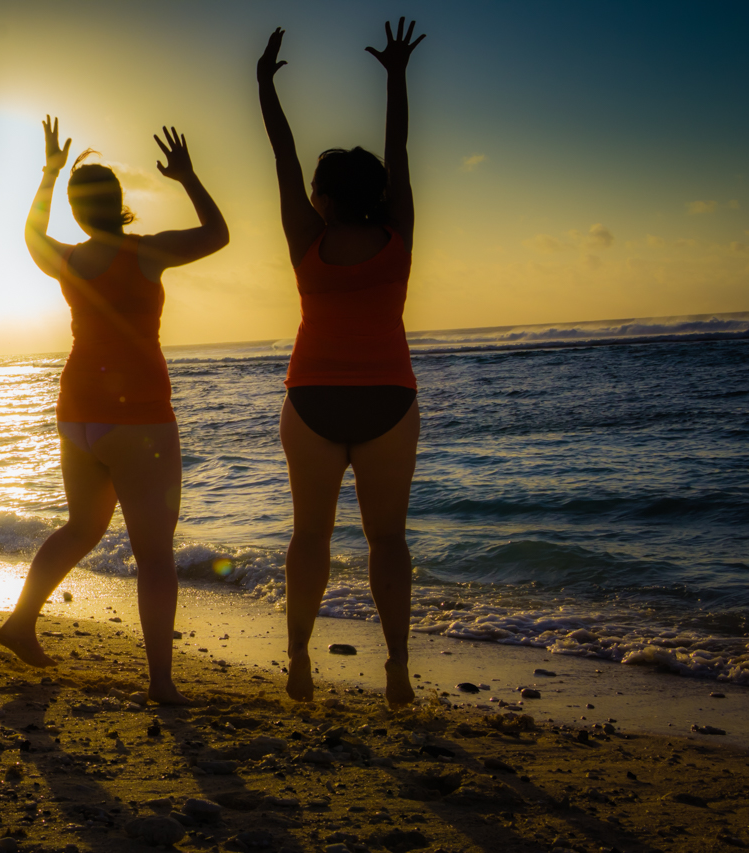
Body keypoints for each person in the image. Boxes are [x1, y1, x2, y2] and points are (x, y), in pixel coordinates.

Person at [0, 117, 228, 704]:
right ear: (121, 204)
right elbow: (218, 234)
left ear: (77, 212)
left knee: (82, 526)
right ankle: (160, 682)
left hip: (76, 413)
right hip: (139, 416)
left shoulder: (68, 261)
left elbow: (28, 234)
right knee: (154, 554)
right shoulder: (148, 253)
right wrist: (189, 177)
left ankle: (21, 623)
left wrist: (48, 174)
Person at [257, 20, 426, 706]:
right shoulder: (397, 234)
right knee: (388, 540)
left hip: (314, 398)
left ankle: (299, 663)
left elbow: (282, 154)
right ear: (377, 192)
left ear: (323, 196)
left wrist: (264, 85)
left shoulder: (308, 237)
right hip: (388, 397)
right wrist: (395, 75)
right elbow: (400, 148)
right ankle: (397, 670)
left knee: (310, 538)